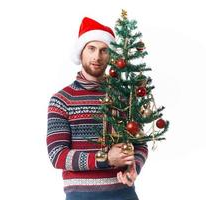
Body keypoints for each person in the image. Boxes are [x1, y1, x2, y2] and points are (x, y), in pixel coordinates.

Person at [47, 17, 148, 200]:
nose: (97, 57)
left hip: (124, 195)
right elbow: (57, 155)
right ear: (81, 52)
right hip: (81, 197)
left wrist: (134, 167)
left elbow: (140, 144)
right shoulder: (62, 100)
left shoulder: (124, 97)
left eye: (104, 50)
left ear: (111, 55)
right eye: (91, 49)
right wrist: (106, 159)